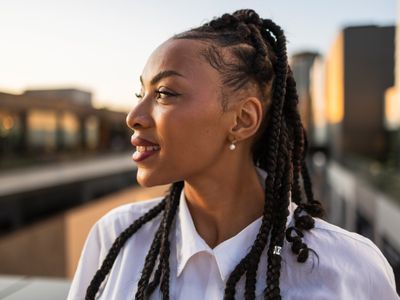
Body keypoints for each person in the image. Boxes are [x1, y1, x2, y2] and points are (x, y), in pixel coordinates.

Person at [67, 9, 398, 300]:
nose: (133, 116)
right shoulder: (114, 238)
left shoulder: (351, 269)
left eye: (165, 93)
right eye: (141, 93)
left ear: (242, 120)